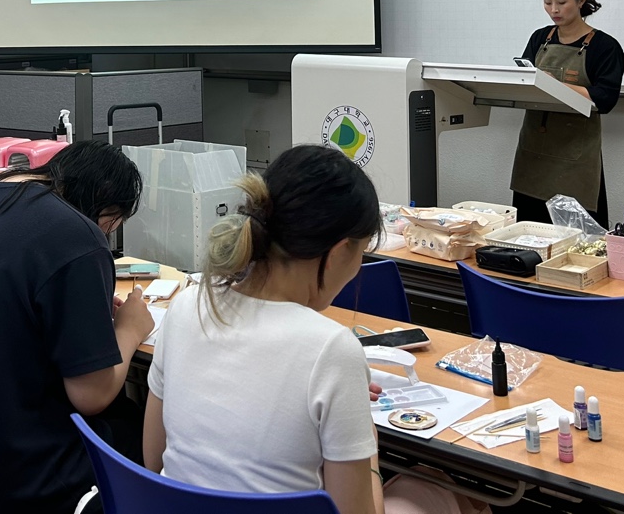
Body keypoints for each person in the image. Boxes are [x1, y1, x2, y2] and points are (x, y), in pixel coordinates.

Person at [145, 145, 484, 514]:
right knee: (438, 486)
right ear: (339, 252)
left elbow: (154, 459)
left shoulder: (188, 305)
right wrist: (366, 439)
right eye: (362, 253)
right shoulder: (331, 349)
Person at [0, 140, 153, 514]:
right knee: (139, 429)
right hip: (15, 476)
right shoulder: (77, 234)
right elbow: (92, 395)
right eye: (112, 223)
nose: (107, 233)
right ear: (104, 204)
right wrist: (130, 328)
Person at [512, 0, 624, 228]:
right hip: (534, 149)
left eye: (561, 2)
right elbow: (525, 82)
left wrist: (554, 86)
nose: (554, 10)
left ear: (581, 0)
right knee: (529, 232)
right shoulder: (540, 38)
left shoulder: (604, 46)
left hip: (575, 154)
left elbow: (605, 98)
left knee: (578, 237)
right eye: (547, 2)